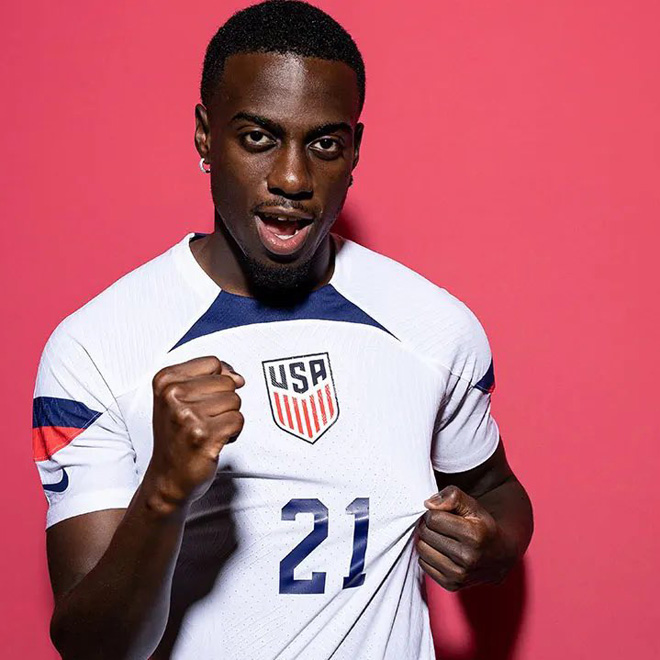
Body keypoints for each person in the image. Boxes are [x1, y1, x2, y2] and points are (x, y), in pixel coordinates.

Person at [32, 1, 533, 658]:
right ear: (205, 136)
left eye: (324, 144)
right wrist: (164, 492)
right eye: (258, 138)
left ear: (354, 151)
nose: (292, 178)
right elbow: (90, 645)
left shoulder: (432, 326)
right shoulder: (96, 348)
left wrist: (493, 545)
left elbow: (496, 490)